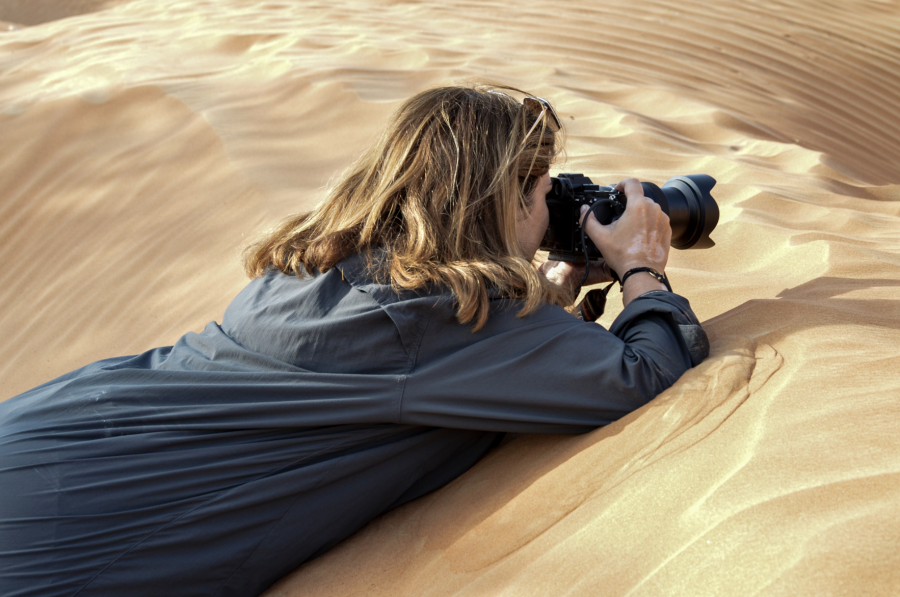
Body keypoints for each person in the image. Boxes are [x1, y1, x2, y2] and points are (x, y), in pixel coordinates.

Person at [0, 84, 708, 597]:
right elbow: (644, 371)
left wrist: (547, 285)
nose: (548, 209)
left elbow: (403, 356)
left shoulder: (321, 266)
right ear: (498, 200)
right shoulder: (437, 320)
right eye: (542, 193)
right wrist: (640, 264)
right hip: (69, 549)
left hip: (41, 441)